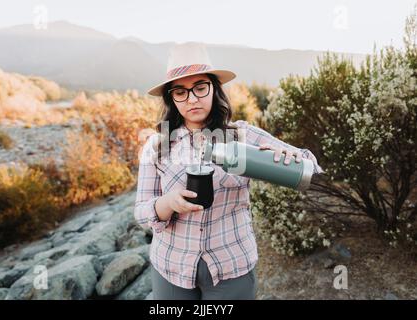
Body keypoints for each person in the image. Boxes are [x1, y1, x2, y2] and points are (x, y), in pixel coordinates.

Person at [135, 42, 323, 300]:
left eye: (200, 87)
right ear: (171, 98)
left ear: (214, 89)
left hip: (231, 267)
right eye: (180, 91)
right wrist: (167, 203)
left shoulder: (243, 136)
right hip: (170, 267)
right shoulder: (156, 146)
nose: (192, 99)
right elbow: (141, 211)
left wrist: (291, 158)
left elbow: (310, 166)